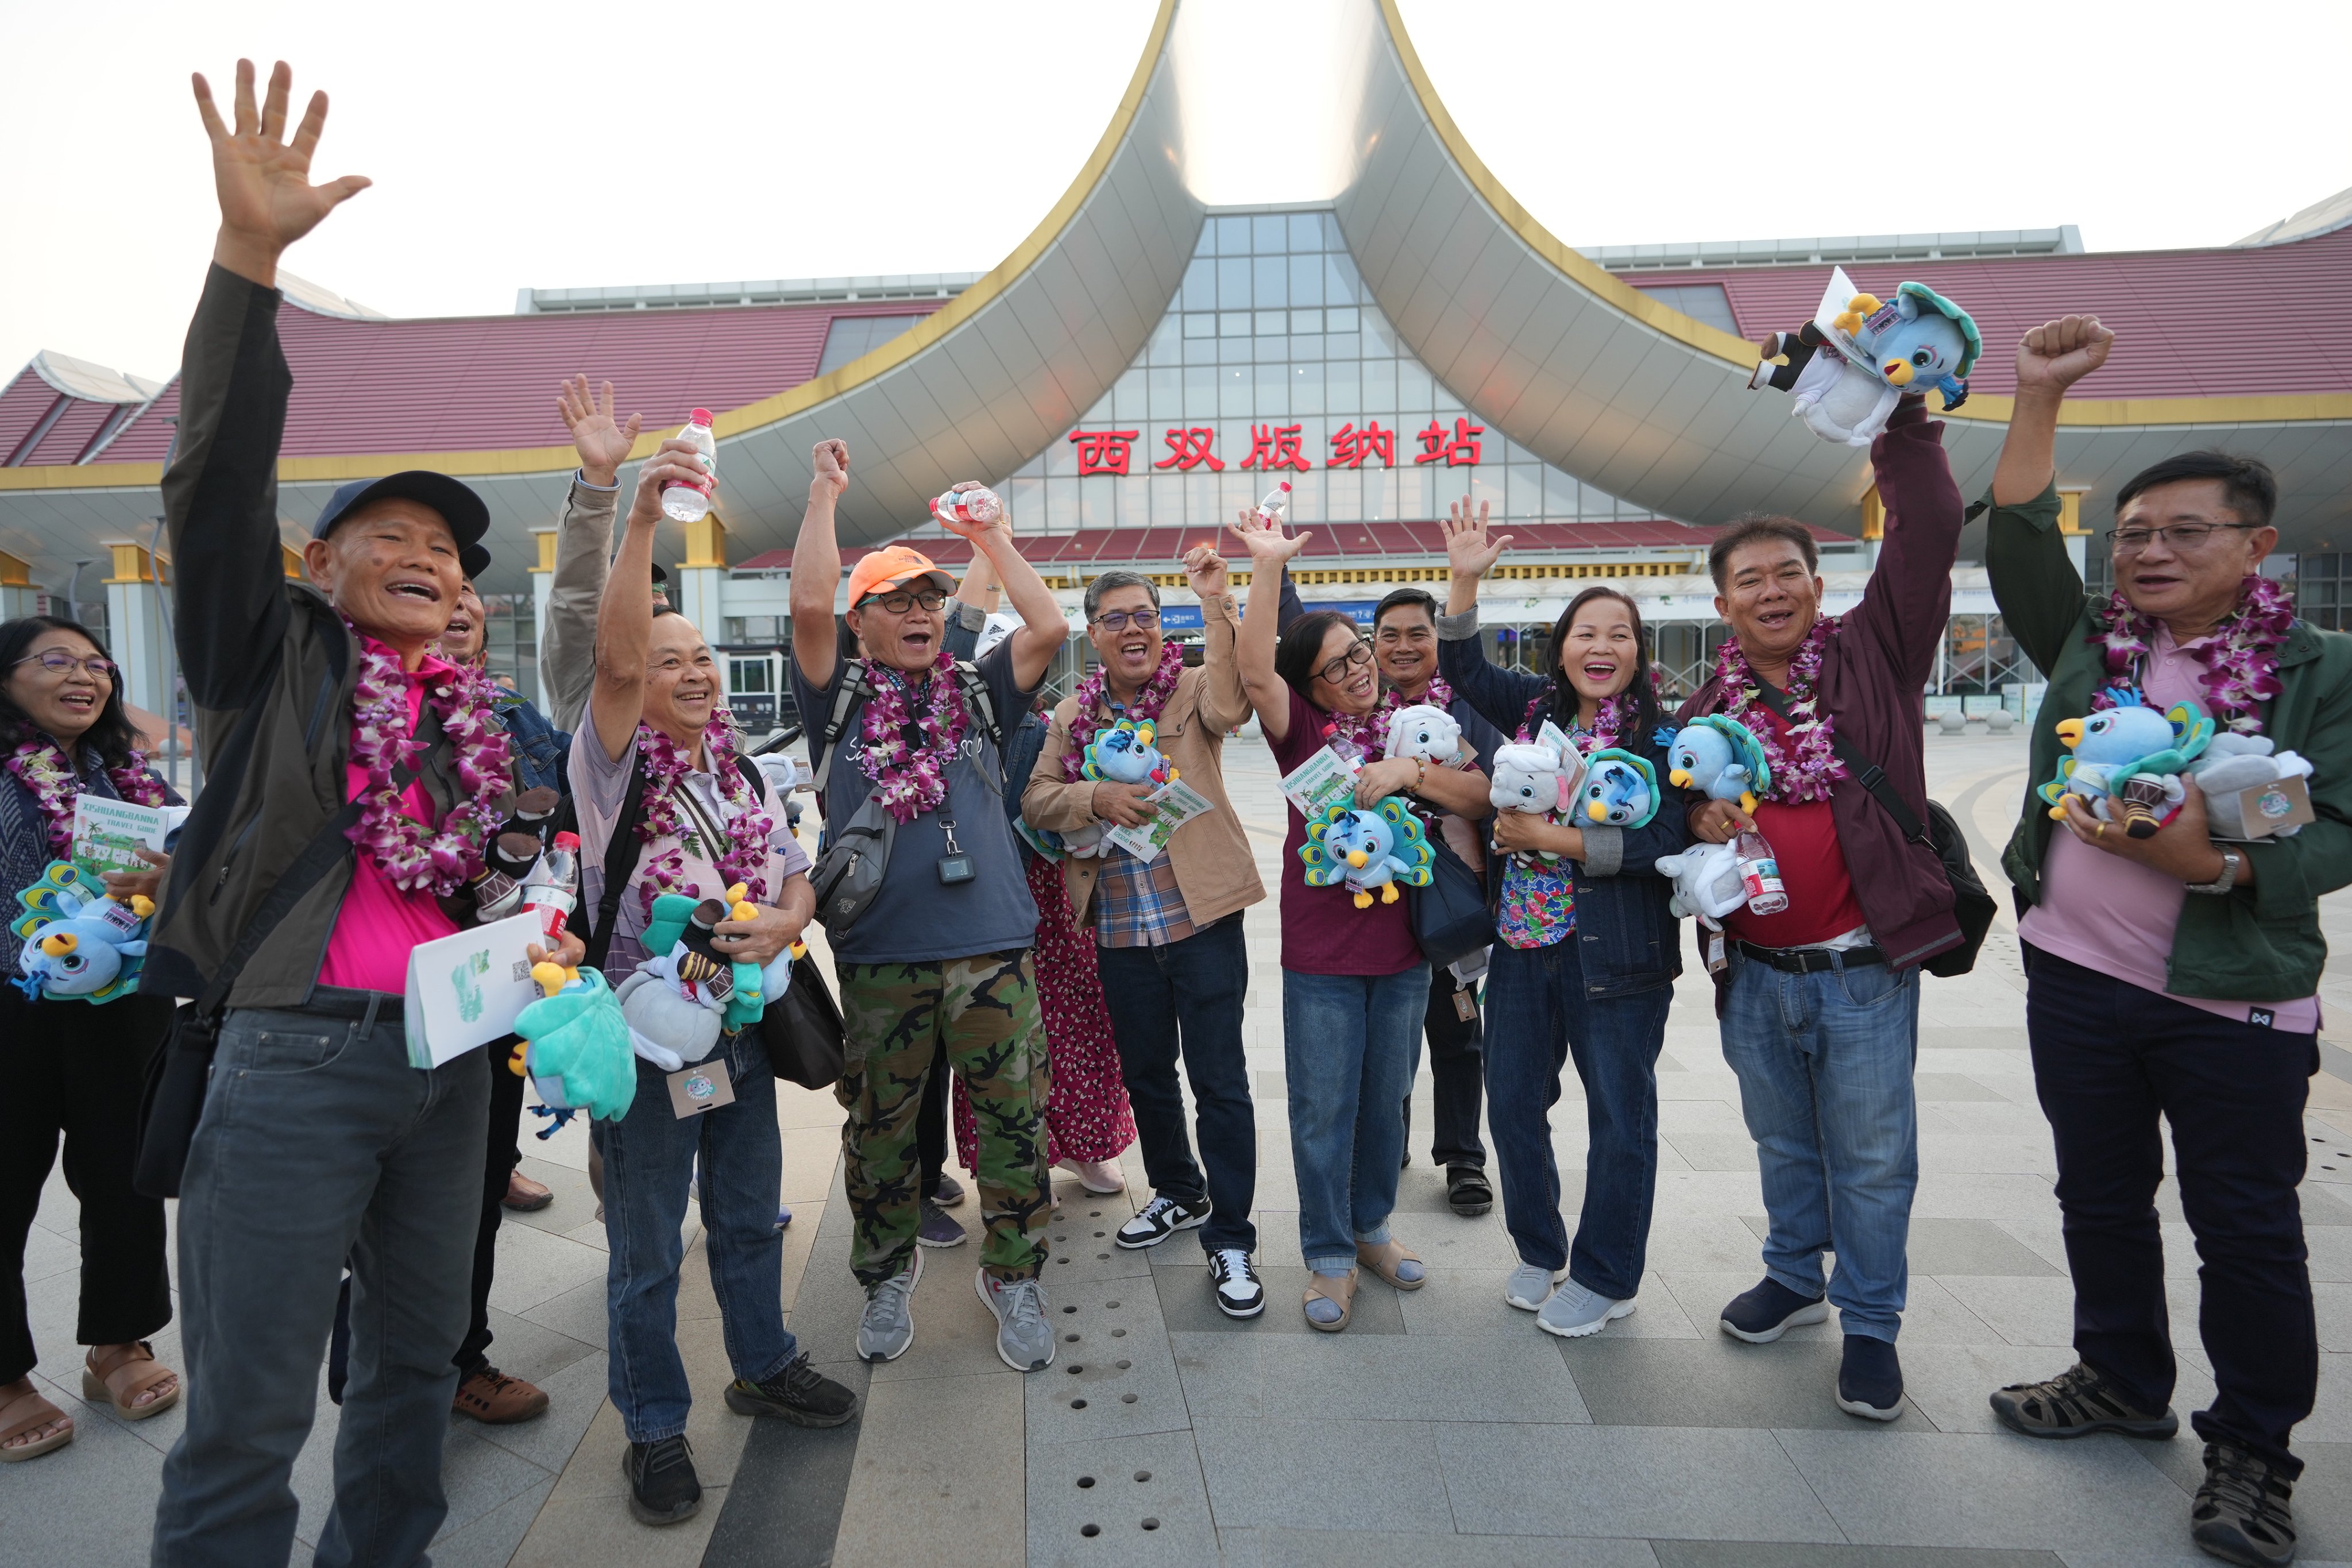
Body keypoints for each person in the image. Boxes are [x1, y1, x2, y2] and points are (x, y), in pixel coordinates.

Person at [146, 62, 580, 1566]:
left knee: (408, 1376)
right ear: (319, 567)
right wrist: (249, 262)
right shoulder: (269, 664)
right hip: (290, 1062)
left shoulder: (468, 719)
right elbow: (211, 483)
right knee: (250, 1416)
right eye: (387, 537)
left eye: (449, 554)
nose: (427, 560)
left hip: (447, 1067)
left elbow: (492, 879)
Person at [1979, 315, 2332, 1568]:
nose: (2150, 551)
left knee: (2243, 1224)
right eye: (2133, 533)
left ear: (2255, 545)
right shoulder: (2094, 647)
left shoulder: (2316, 669)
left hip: (2229, 999)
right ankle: (2118, 1375)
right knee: (2097, 1191)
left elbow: (2334, 823)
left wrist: (2215, 865)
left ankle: (2251, 1447)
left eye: (2186, 531)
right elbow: (2019, 533)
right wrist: (2031, 394)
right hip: (2075, 975)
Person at [575, 434, 856, 1527]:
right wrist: (641, 519)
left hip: (741, 1030)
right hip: (651, 1045)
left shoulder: (735, 764)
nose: (690, 673)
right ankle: (652, 1427)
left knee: (748, 1218)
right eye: (664, 656)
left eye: (699, 656)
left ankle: (764, 1361)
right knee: (645, 1251)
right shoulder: (605, 771)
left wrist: (785, 920)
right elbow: (606, 664)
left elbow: (794, 874)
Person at [1678, 392, 1965, 1420]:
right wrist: (1695, 823)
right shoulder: (1706, 712)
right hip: (1753, 976)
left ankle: (1873, 1325)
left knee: (1876, 1157)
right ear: (1723, 607)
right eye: (1748, 580)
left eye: (1787, 574)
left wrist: (1908, 431)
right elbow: (1675, 816)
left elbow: (1928, 534)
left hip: (1863, 972)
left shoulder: (1874, 652)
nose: (1770, 592)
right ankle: (1796, 1275)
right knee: (1783, 1141)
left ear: (1818, 586)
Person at [788, 449, 1065, 1372]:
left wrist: (988, 535)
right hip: (880, 953)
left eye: (929, 599)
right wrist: (827, 495)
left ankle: (1013, 1272)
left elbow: (1049, 623)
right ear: (859, 620)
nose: (918, 613)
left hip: (991, 946)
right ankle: (882, 1273)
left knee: (1014, 1118)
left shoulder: (977, 691)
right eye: (896, 600)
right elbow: (804, 601)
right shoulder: (836, 695)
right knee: (879, 1126)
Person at [1227, 508, 1489, 1330]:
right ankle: (1329, 1254)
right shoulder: (1300, 732)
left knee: (1385, 1103)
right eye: (1338, 664)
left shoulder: (1411, 728)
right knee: (1322, 1106)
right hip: (1322, 958)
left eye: (1361, 654)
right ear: (1310, 686)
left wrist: (1408, 766)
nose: (1359, 670)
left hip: (1405, 951)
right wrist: (1266, 564)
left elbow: (1481, 794)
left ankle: (1372, 1227)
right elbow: (1253, 666)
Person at [1435, 521, 1689, 1337]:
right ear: (1562, 648)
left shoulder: (1661, 737)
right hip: (1521, 949)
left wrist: (1552, 841)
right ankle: (1540, 1247)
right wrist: (1464, 582)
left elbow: (1663, 842)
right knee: (1510, 1102)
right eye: (1586, 631)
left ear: (1638, 653)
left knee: (1619, 1118)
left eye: (1619, 633)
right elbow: (1462, 667)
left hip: (1618, 957)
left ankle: (1607, 1273)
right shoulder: (1532, 709)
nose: (1601, 645)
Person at [1022, 559, 1269, 1317]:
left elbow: (1234, 705)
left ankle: (1230, 1235)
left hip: (1202, 919)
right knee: (1149, 1075)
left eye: (1145, 616)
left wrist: (1214, 603)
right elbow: (1036, 798)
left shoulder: (1192, 688)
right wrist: (1095, 794)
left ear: (1162, 626)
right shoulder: (1073, 715)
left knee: (1219, 1082)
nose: (1132, 629)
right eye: (1115, 618)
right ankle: (1177, 1191)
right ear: (1092, 633)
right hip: (1120, 930)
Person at [0, 617, 181, 1462]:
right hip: (11, 1004)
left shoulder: (128, 775)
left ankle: (119, 1340)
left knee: (124, 1175)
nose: (86, 676)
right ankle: (4, 1376)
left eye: (97, 663)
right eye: (57, 660)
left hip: (122, 1000)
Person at [945, 554, 1136, 1222]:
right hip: (977, 904)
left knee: (1084, 1016)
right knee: (994, 1034)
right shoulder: (948, 721)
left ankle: (1087, 1144)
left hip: (1056, 895)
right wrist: (985, 549)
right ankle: (1018, 1159)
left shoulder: (1057, 722)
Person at [434, 569, 563, 1424]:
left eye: (466, 587)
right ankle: (392, 1359)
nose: (456, 602)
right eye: (429, 583)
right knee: (394, 1193)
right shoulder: (355, 714)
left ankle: (459, 1356)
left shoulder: (516, 716)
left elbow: (557, 834)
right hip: (381, 982)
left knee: (476, 1172)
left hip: (488, 983)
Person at [1368, 585, 1497, 1217]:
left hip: (1453, 896)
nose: (1403, 646)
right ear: (1373, 644)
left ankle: (1463, 1156)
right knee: (1385, 1032)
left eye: (1417, 633)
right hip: (1379, 894)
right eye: (1389, 634)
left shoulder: (1469, 709)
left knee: (1458, 1029)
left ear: (1437, 641)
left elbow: (1493, 795)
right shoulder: (1355, 708)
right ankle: (1388, 1140)